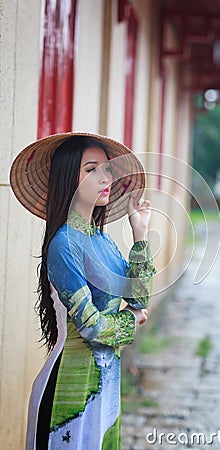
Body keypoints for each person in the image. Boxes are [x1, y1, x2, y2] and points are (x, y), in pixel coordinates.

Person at [9, 132, 157, 449]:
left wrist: (140, 233)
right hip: (69, 391)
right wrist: (133, 320)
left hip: (106, 384)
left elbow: (140, 298)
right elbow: (92, 327)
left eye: (107, 169)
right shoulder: (64, 244)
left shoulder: (104, 242)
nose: (104, 177)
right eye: (91, 169)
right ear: (68, 178)